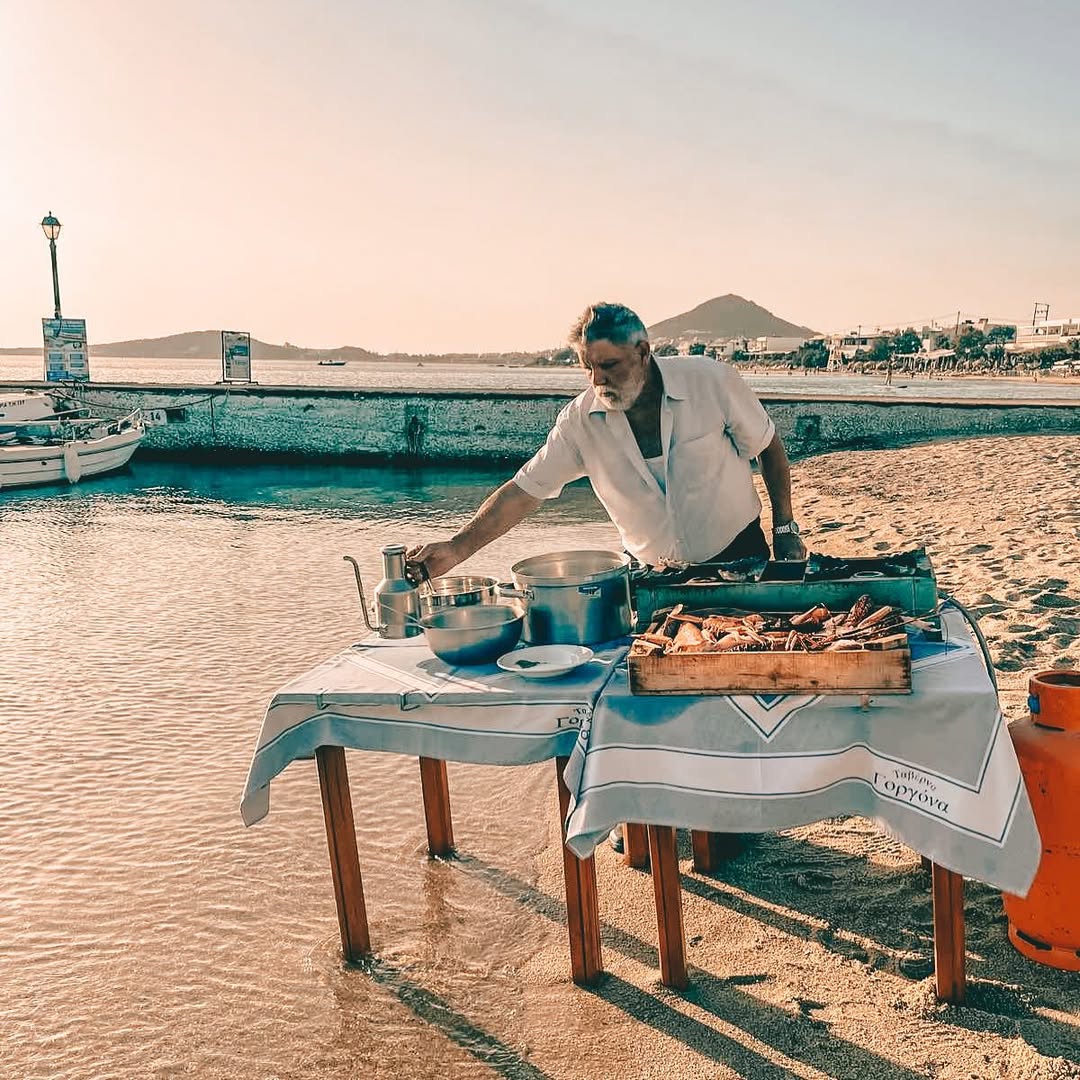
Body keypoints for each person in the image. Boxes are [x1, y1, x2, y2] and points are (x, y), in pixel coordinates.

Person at [409, 302, 806, 582]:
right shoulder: (580, 422)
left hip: (740, 555)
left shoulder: (712, 381)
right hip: (651, 578)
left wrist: (785, 529)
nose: (598, 381)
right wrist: (458, 548)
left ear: (643, 352)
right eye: (588, 368)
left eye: (610, 365)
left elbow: (768, 448)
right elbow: (523, 492)